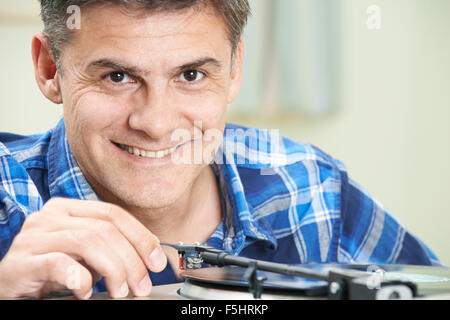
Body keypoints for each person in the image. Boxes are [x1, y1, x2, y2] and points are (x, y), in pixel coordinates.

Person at [0, 0, 440, 300]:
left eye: (190, 75)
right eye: (117, 76)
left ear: (234, 70)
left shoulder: (313, 190)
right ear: (50, 69)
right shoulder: (6, 197)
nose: (155, 123)